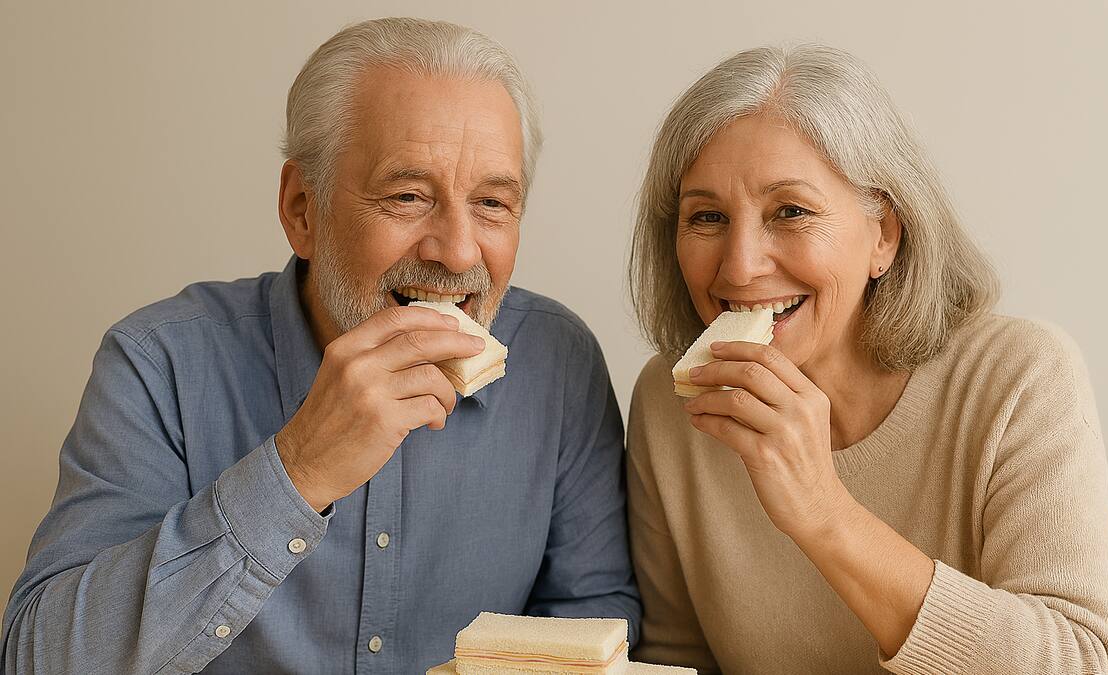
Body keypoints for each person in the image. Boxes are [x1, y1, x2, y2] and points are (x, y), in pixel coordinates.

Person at [4, 18, 639, 674]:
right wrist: (298, 470)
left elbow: (594, 622)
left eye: (492, 204)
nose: (456, 251)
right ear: (302, 209)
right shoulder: (156, 364)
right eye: (408, 196)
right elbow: (37, 659)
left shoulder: (559, 362)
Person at [626, 44, 1108, 674]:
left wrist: (823, 511)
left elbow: (1083, 661)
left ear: (884, 234)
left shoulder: (1019, 377)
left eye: (791, 211)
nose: (741, 265)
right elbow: (673, 659)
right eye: (707, 217)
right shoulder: (670, 401)